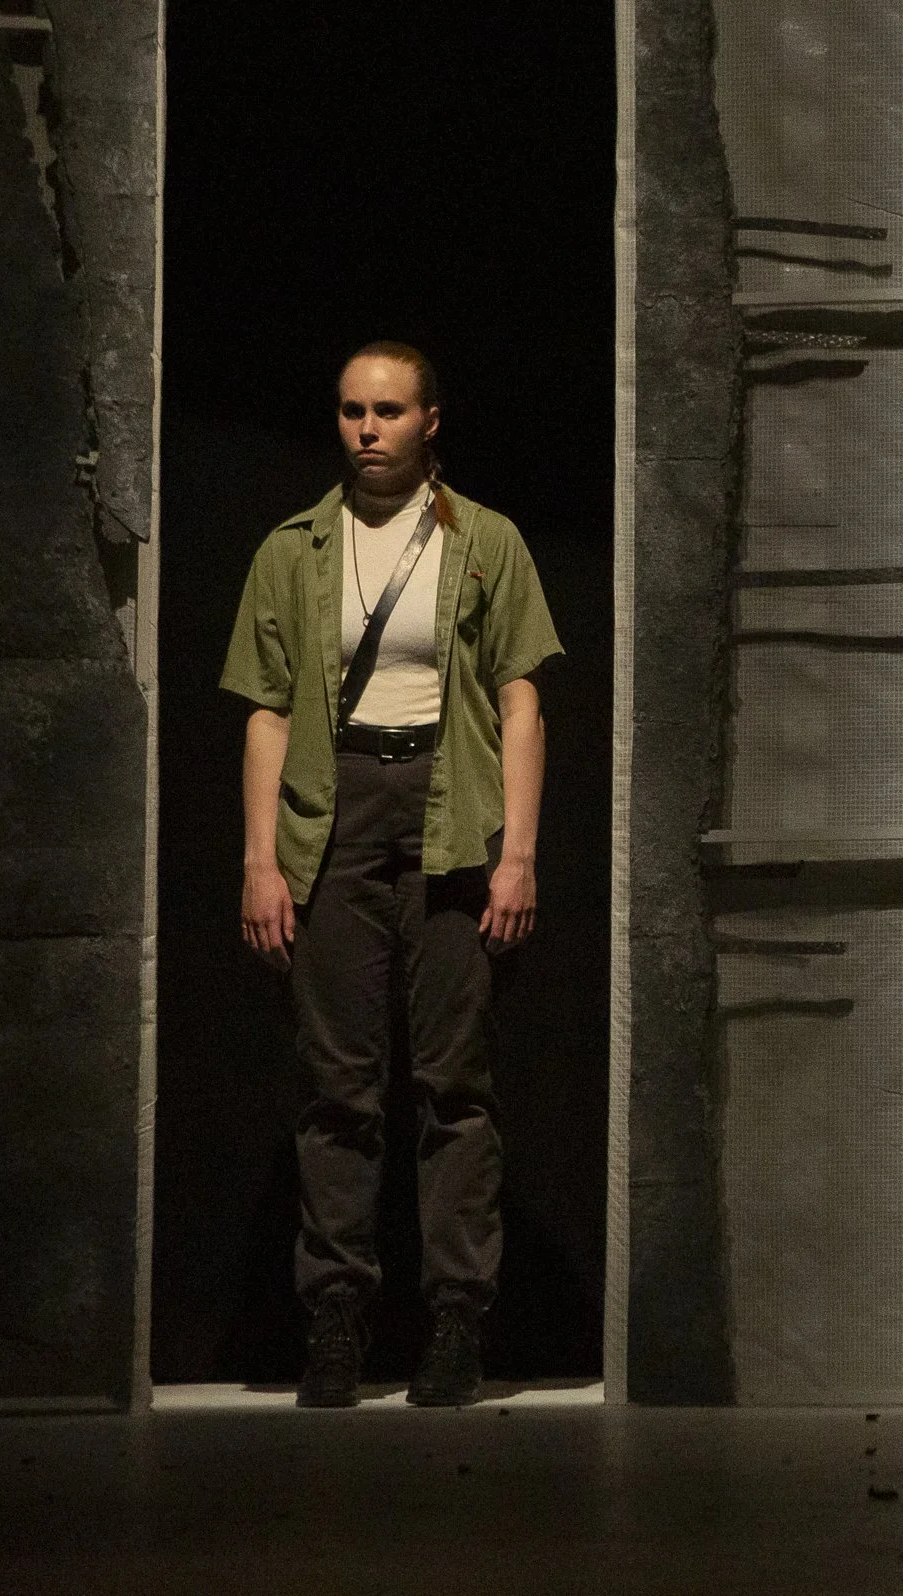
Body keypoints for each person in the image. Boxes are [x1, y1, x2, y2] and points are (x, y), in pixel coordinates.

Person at [222, 342, 562, 1408]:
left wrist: (518, 853)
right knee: (338, 1087)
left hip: (451, 813)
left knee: (454, 1087)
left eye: (388, 411)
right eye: (351, 411)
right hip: (336, 814)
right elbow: (266, 711)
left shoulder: (487, 540)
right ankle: (336, 1322)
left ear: (430, 421)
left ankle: (456, 1322)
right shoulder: (293, 549)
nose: (367, 428)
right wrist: (261, 859)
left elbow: (521, 701)